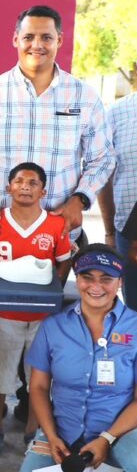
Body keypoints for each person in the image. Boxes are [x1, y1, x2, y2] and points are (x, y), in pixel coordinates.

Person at [0, 4, 114, 431]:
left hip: (57, 235)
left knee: (49, 318)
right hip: (0, 231)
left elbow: (102, 158)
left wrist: (80, 198)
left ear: (60, 41)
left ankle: (33, 396)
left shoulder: (83, 96)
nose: (37, 45)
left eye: (46, 37)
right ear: (15, 40)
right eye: (29, 36)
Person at [15, 244, 137, 472]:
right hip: (63, 429)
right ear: (77, 278)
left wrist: (106, 438)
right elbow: (39, 388)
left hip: (119, 432)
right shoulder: (54, 326)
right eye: (87, 277)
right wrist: (51, 435)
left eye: (106, 278)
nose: (96, 286)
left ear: (119, 282)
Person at [0, 162, 72, 454]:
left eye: (33, 183)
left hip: (42, 316)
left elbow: (64, 259)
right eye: (19, 181)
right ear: (8, 188)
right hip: (5, 313)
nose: (25, 187)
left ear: (43, 191)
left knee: (38, 376)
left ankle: (33, 428)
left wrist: (54, 287)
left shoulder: (56, 224)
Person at [98, 90, 137, 309]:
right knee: (134, 308)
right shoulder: (115, 112)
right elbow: (104, 174)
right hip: (129, 233)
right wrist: (110, 232)